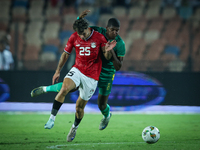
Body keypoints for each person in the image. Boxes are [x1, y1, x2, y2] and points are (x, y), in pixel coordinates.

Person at [31, 10, 125, 130]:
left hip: (106, 74)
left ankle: (107, 115)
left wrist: (111, 50)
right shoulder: (98, 31)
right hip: (90, 69)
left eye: (117, 30)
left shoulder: (120, 44)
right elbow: (83, 30)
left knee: (101, 104)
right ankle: (46, 90)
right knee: (68, 88)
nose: (115, 33)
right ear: (107, 28)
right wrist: (78, 18)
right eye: (112, 30)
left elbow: (118, 66)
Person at [41, 18, 117, 142]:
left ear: (88, 28)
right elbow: (65, 54)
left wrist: (109, 50)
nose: (81, 36)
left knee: (79, 108)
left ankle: (74, 127)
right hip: (77, 70)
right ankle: (51, 119)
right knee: (64, 88)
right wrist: (58, 70)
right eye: (79, 33)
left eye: (83, 33)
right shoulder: (74, 37)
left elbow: (107, 57)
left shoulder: (99, 38)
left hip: (91, 77)